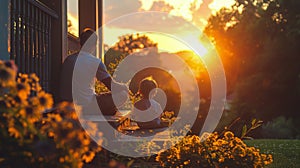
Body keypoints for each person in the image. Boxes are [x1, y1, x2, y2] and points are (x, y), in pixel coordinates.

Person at [59, 28, 128, 115]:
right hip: (86, 105)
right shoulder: (95, 62)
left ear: (80, 43)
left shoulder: (69, 59)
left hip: (67, 105)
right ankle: (101, 111)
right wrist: (124, 86)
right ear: (95, 44)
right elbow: (112, 86)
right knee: (123, 94)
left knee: (98, 96)